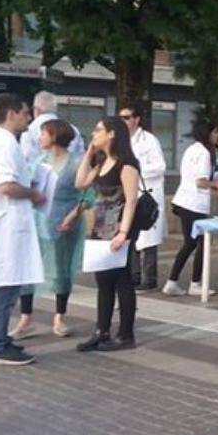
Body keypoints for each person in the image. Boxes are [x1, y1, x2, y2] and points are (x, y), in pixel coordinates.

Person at [0, 92, 44, 366]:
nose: (28, 117)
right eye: (25, 113)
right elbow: (6, 186)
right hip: (5, 225)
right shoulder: (4, 145)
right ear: (12, 114)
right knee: (4, 286)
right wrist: (33, 194)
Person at [12, 119, 92, 340]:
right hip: (37, 219)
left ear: (55, 136)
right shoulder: (38, 161)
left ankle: (59, 316)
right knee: (29, 268)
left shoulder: (76, 162)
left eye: (44, 133)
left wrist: (73, 214)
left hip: (63, 220)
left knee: (60, 268)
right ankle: (26, 318)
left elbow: (88, 195)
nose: (40, 138)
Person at [75, 116, 141, 352]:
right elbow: (80, 182)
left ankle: (126, 334)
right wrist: (89, 152)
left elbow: (131, 200)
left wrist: (123, 232)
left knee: (122, 280)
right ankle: (101, 330)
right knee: (103, 281)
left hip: (119, 227)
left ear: (112, 134)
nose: (94, 134)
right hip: (100, 226)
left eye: (98, 130)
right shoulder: (102, 162)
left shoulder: (127, 164)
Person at [162, 122, 218, 297]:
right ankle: (194, 283)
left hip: (184, 200)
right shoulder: (204, 153)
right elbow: (200, 181)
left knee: (191, 243)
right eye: (215, 131)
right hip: (194, 203)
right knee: (201, 242)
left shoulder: (192, 149)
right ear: (207, 134)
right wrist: (216, 184)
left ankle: (173, 281)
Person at [120, 105, 167, 291]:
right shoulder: (123, 140)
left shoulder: (149, 140)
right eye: (121, 117)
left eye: (126, 117)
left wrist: (136, 172)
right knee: (131, 236)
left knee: (148, 239)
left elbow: (160, 166)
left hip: (148, 192)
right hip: (130, 193)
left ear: (136, 119)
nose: (123, 121)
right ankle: (134, 276)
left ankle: (150, 279)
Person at [19, 91, 85, 163]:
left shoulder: (28, 130)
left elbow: (26, 158)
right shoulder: (73, 129)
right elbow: (81, 156)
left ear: (36, 109)